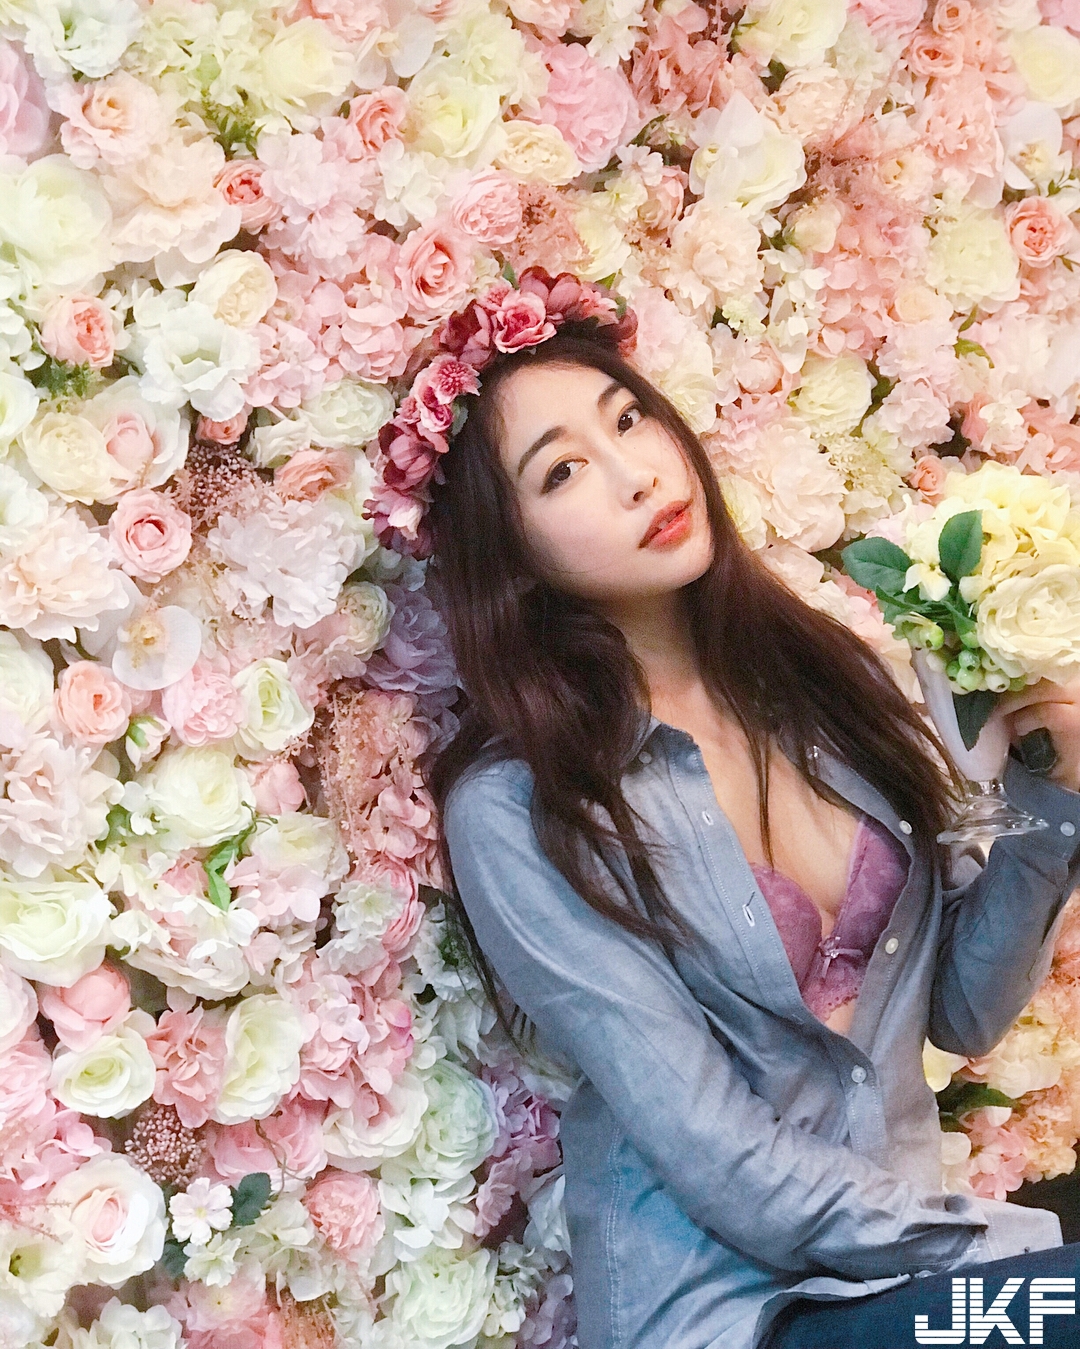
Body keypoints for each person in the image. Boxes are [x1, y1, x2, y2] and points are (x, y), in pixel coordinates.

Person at [423, 308, 1080, 1349]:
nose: (636, 473)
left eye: (628, 419)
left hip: (906, 1284)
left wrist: (1056, 800)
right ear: (513, 554)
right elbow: (717, 1150)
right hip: (731, 1311)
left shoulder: (829, 682)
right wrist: (1006, 1249)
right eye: (563, 471)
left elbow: (960, 1012)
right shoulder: (522, 806)